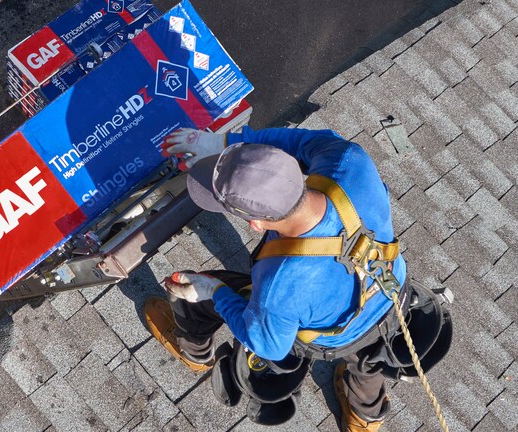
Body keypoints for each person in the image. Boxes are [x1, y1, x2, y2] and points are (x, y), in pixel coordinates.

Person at [145, 127, 411, 431]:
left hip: (329, 335)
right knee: (369, 356)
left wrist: (214, 291)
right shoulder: (350, 161)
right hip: (392, 297)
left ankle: (195, 351)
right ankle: (365, 415)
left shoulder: (279, 283)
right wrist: (226, 142)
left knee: (193, 291)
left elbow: (269, 346)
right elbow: (299, 141)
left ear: (256, 224)